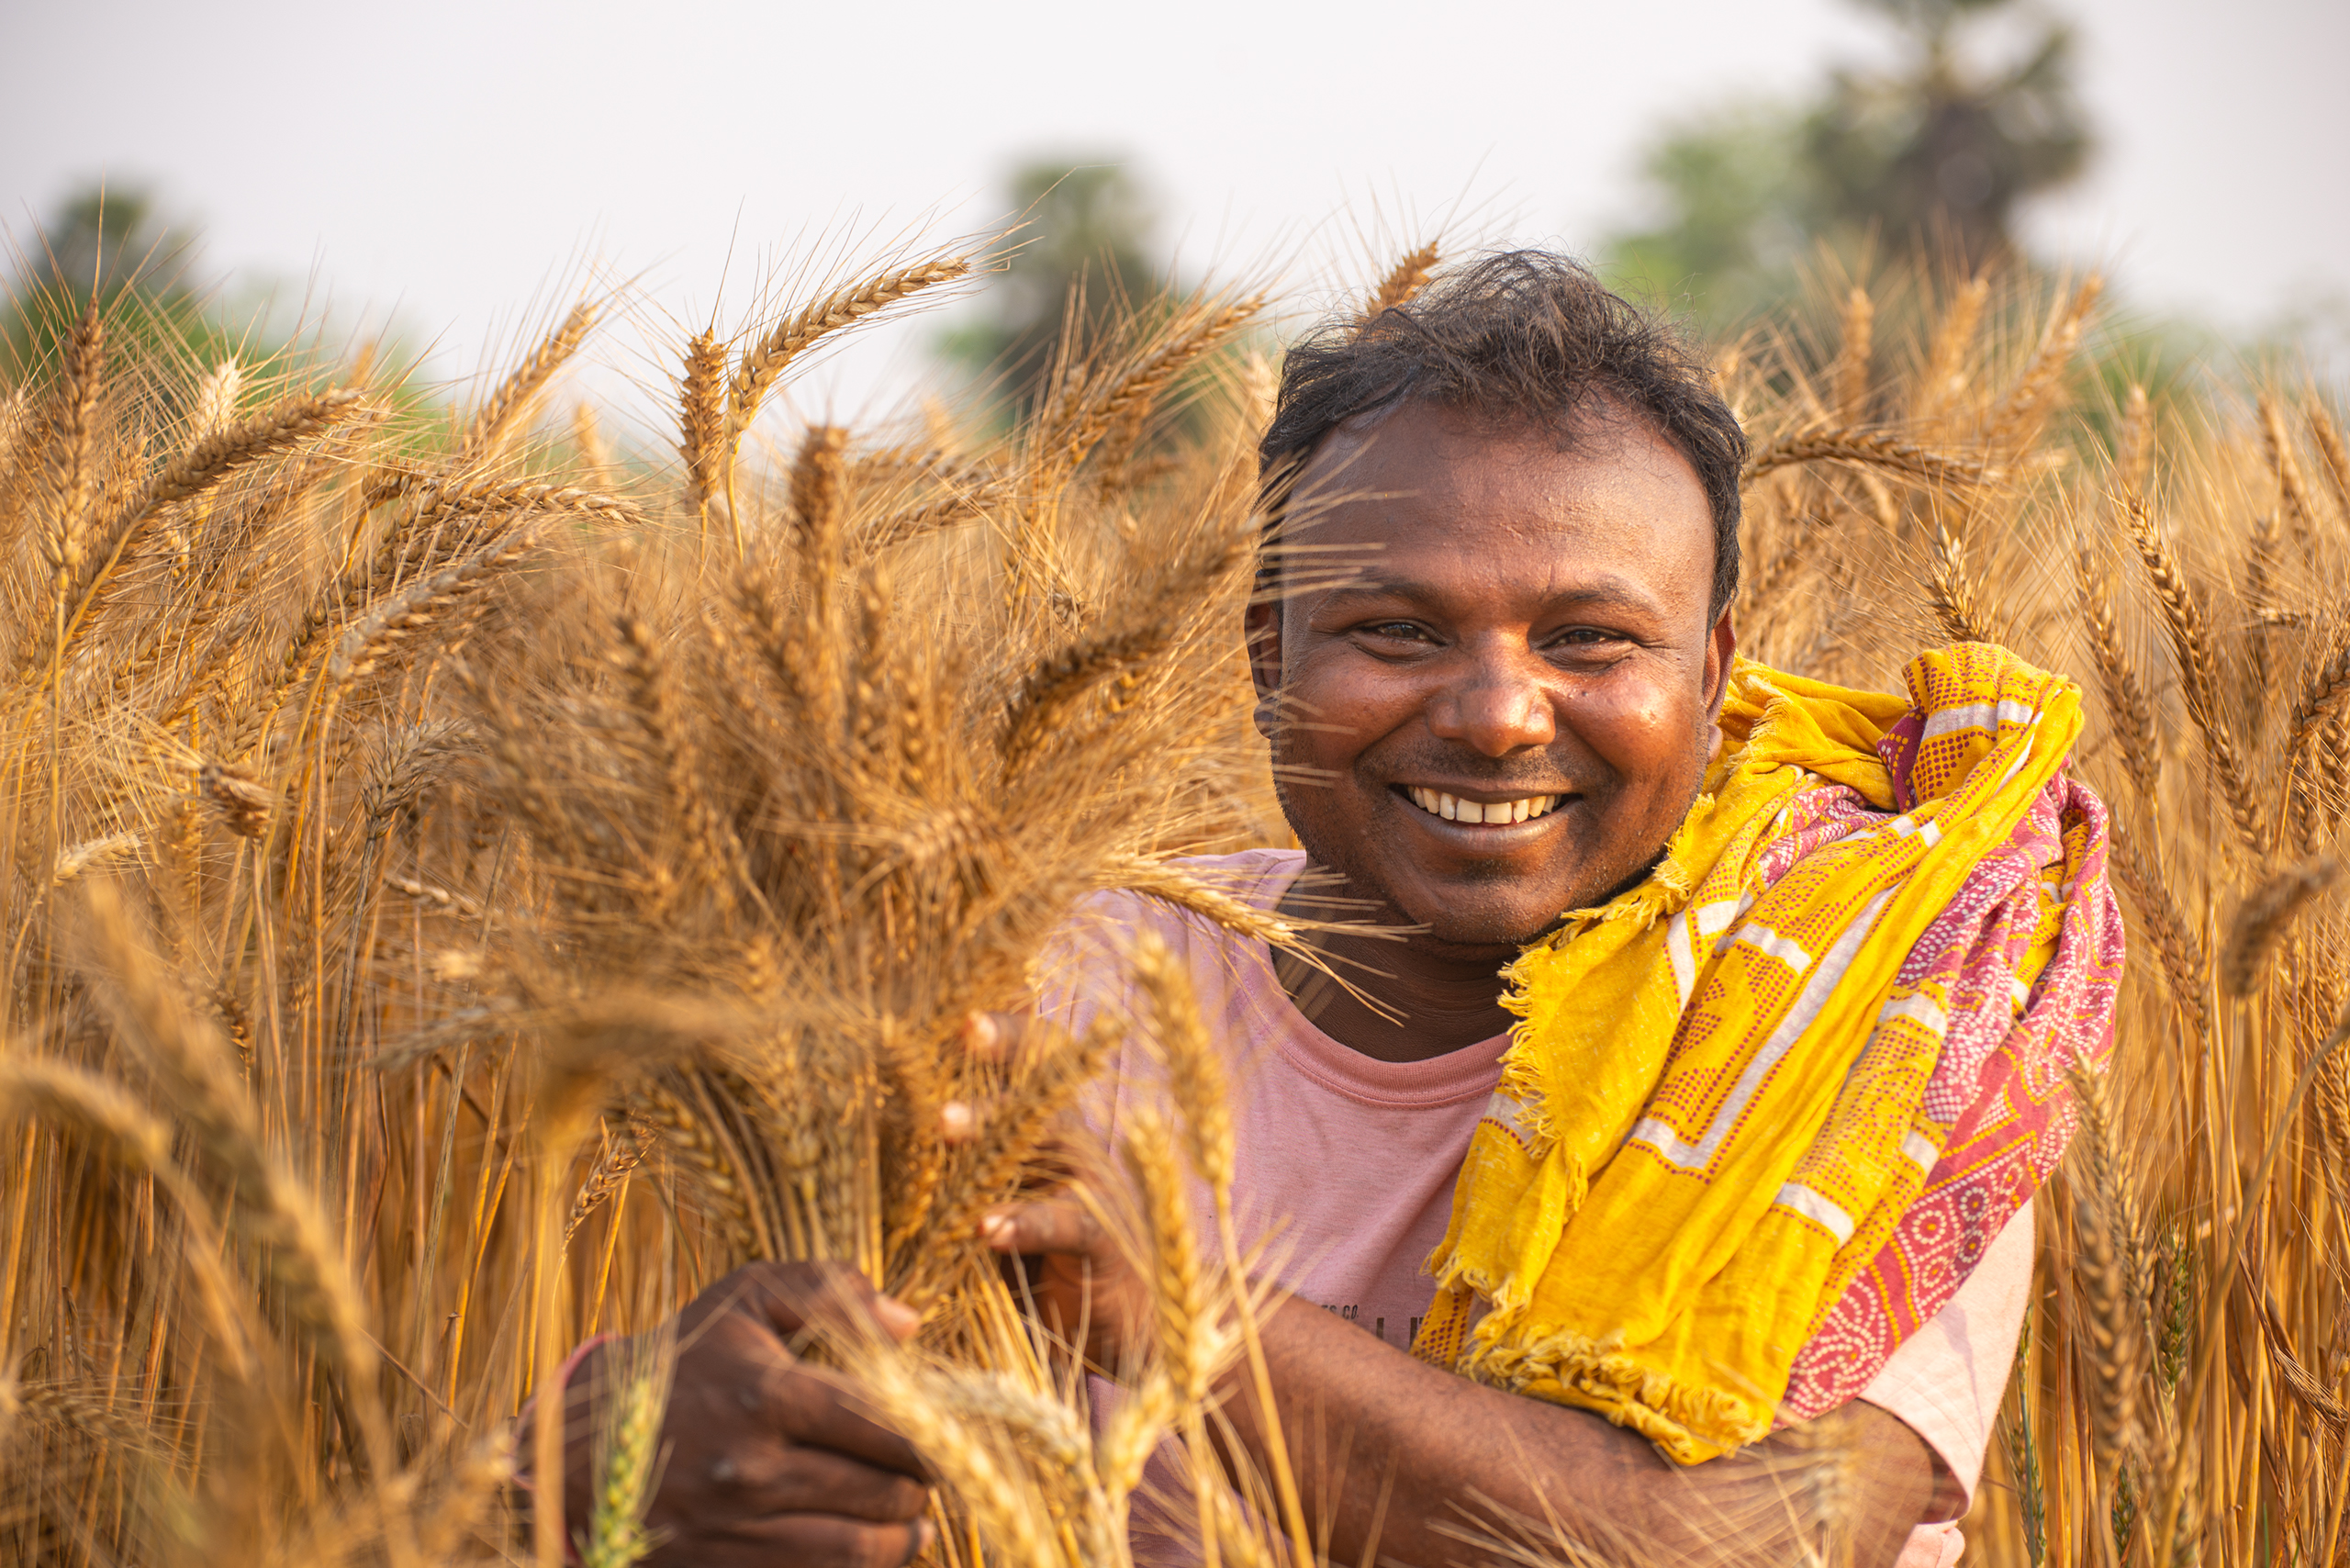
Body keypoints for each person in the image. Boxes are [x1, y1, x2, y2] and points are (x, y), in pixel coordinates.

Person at [535, 252, 2123, 1568]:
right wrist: (618, 1475)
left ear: (1711, 682)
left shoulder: (1872, 1030)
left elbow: (1735, 1550)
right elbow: (712, 1447)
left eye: (1588, 639)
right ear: (1264, 658)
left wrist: (1168, 1301)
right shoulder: (1027, 988)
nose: (1499, 713)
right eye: (1394, 629)